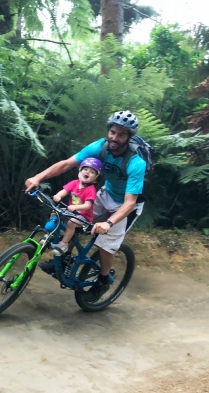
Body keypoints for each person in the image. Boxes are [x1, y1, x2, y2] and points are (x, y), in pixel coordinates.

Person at [25, 110, 146, 300]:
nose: (115, 137)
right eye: (113, 132)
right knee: (71, 219)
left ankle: (103, 280)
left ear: (129, 137)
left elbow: (130, 202)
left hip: (125, 206)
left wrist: (109, 223)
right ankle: (65, 260)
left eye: (121, 134)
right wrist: (38, 177)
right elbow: (67, 164)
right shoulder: (100, 147)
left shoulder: (135, 162)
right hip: (105, 193)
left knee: (105, 244)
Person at [49, 157, 101, 256]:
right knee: (54, 212)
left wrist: (76, 207)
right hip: (72, 212)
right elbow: (64, 191)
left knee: (72, 223)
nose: (87, 172)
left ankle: (63, 244)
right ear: (80, 170)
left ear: (95, 178)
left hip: (84, 216)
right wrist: (58, 196)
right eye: (85, 169)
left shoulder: (91, 189)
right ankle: (53, 233)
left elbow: (87, 205)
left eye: (92, 172)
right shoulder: (74, 183)